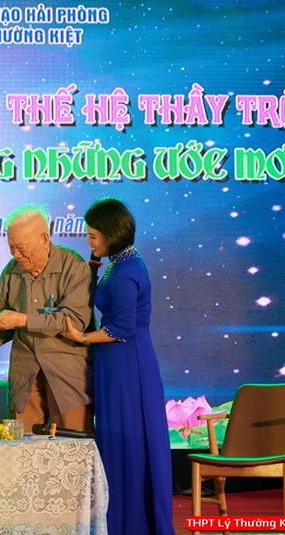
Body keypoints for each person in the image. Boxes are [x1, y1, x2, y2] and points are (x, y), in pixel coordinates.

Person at [61, 197, 175, 535]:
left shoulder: (126, 272)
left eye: (93, 236)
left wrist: (81, 338)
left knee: (128, 441)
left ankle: (132, 523)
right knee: (116, 438)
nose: (89, 241)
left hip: (128, 365)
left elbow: (122, 329)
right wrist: (93, 265)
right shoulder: (119, 262)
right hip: (114, 363)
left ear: (112, 234)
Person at [0, 204, 93, 432]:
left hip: (67, 377)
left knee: (73, 444)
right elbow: (3, 322)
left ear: (44, 239)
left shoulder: (74, 267)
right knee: (20, 446)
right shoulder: (11, 272)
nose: (15, 255)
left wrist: (22, 320)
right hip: (25, 376)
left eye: (21, 248)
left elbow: (73, 322)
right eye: (11, 247)